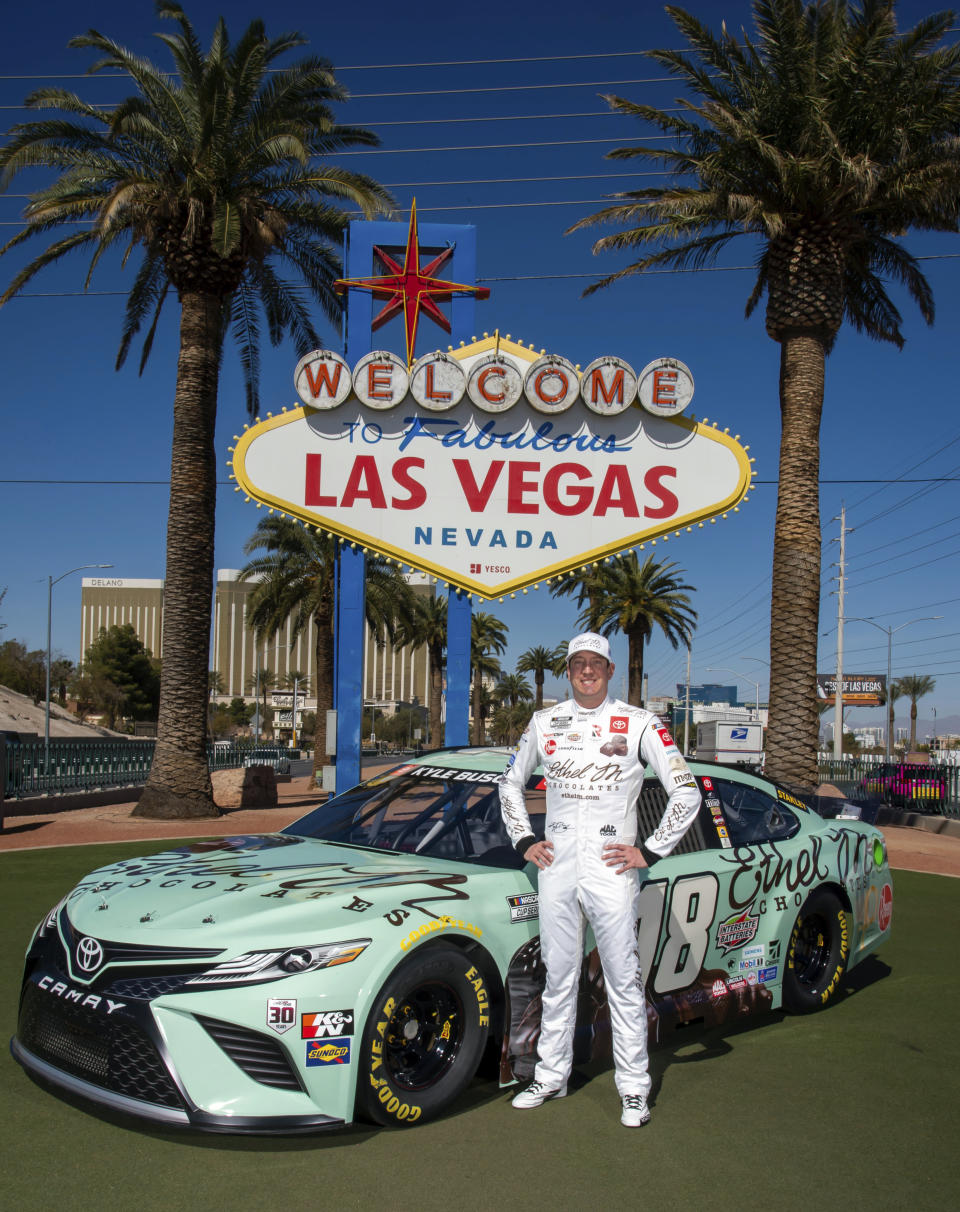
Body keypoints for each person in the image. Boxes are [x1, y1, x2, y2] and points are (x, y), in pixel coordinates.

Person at [499, 631, 701, 1128]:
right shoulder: (545, 722)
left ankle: (634, 1088)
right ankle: (550, 1075)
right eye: (577, 664)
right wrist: (525, 841)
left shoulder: (640, 723)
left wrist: (648, 851)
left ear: (611, 671)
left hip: (612, 870)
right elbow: (509, 781)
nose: (586, 670)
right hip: (556, 868)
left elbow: (686, 792)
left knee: (622, 981)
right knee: (559, 977)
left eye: (596, 663)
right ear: (568, 671)